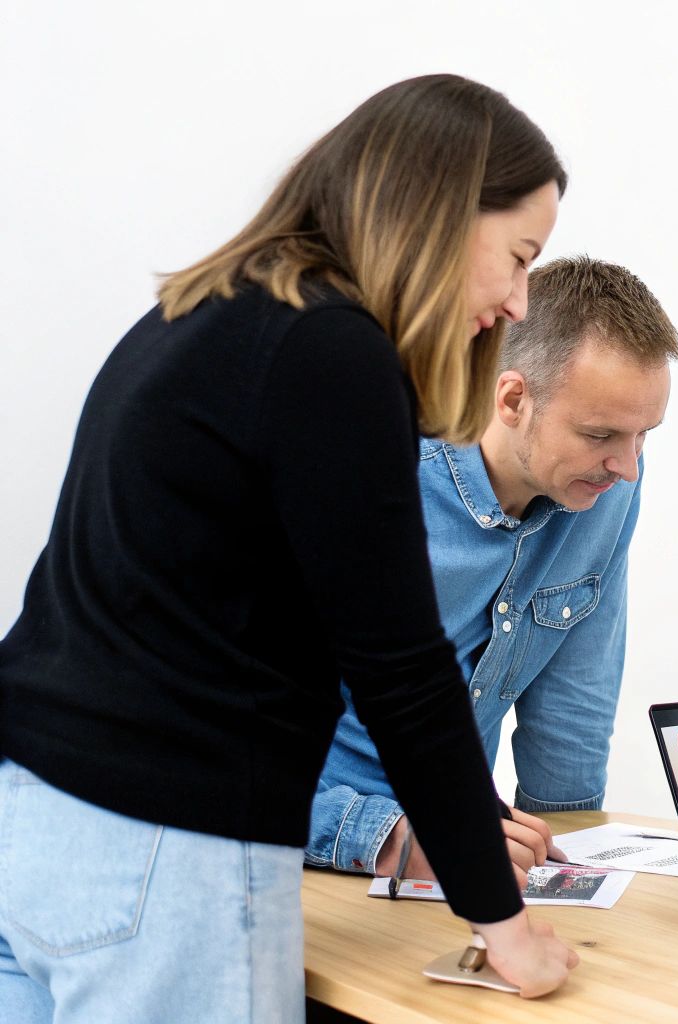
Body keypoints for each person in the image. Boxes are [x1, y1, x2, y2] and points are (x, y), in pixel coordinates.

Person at [0, 75, 579, 1022]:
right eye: (517, 257)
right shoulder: (332, 352)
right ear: (437, 214)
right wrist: (503, 924)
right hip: (163, 855)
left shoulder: (200, 313)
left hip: (34, 820)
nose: (519, 301)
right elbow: (400, 665)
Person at [307, 257, 678, 884]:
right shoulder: (369, 479)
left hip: (455, 863)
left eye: (645, 435)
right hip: (303, 857)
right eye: (601, 434)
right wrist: (389, 839)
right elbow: (219, 751)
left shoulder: (603, 494)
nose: (628, 467)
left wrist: (570, 865)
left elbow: (573, 716)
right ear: (512, 398)